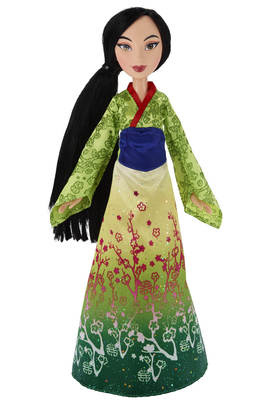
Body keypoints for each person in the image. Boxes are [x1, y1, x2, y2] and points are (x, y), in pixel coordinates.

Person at [48, 7, 222, 397]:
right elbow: (96, 150)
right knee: (120, 265)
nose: (139, 56)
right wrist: (75, 193)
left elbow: (181, 149)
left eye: (150, 45)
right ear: (114, 51)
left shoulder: (162, 105)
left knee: (162, 265)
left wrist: (197, 193)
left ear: (163, 50)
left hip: (159, 197)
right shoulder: (117, 106)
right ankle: (110, 351)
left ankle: (171, 351)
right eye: (126, 46)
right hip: (124, 196)